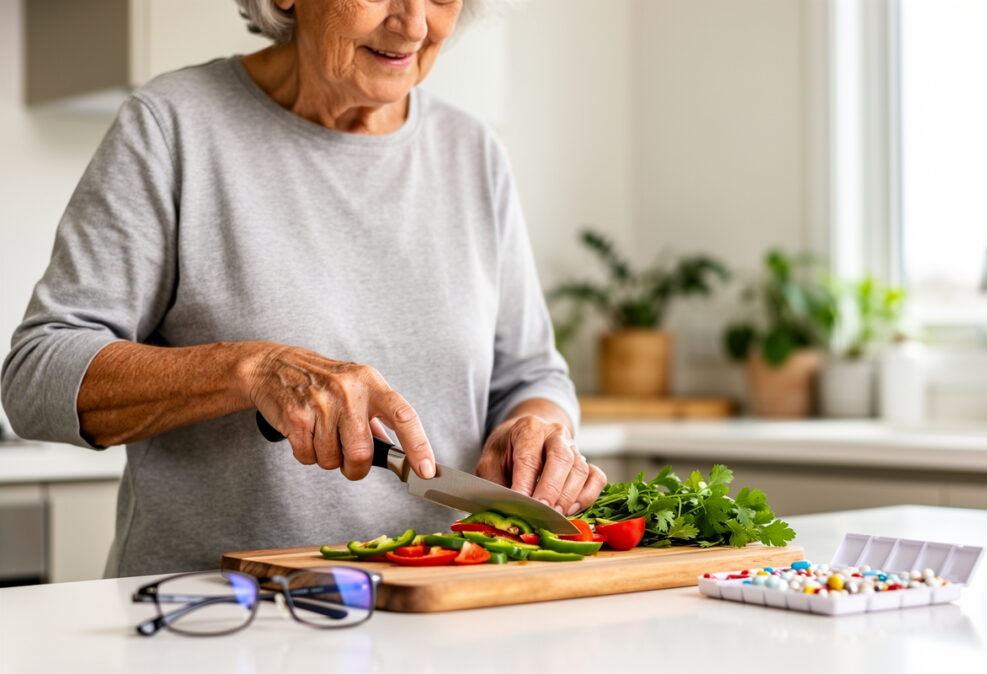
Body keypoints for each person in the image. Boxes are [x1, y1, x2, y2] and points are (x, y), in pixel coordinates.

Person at [1, 0, 606, 576]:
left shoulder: (473, 153)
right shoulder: (173, 125)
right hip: (211, 619)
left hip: (437, 605)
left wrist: (535, 428)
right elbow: (36, 374)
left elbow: (532, 375)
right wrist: (251, 369)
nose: (414, 24)